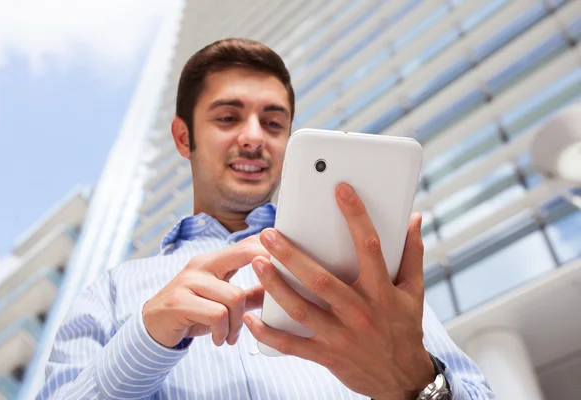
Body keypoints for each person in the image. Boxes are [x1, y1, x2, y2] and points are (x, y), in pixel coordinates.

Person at [37, 38, 494, 400]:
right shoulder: (113, 293)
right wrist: (146, 340)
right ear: (183, 137)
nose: (254, 137)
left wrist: (415, 384)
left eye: (273, 124)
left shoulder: (371, 273)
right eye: (228, 117)